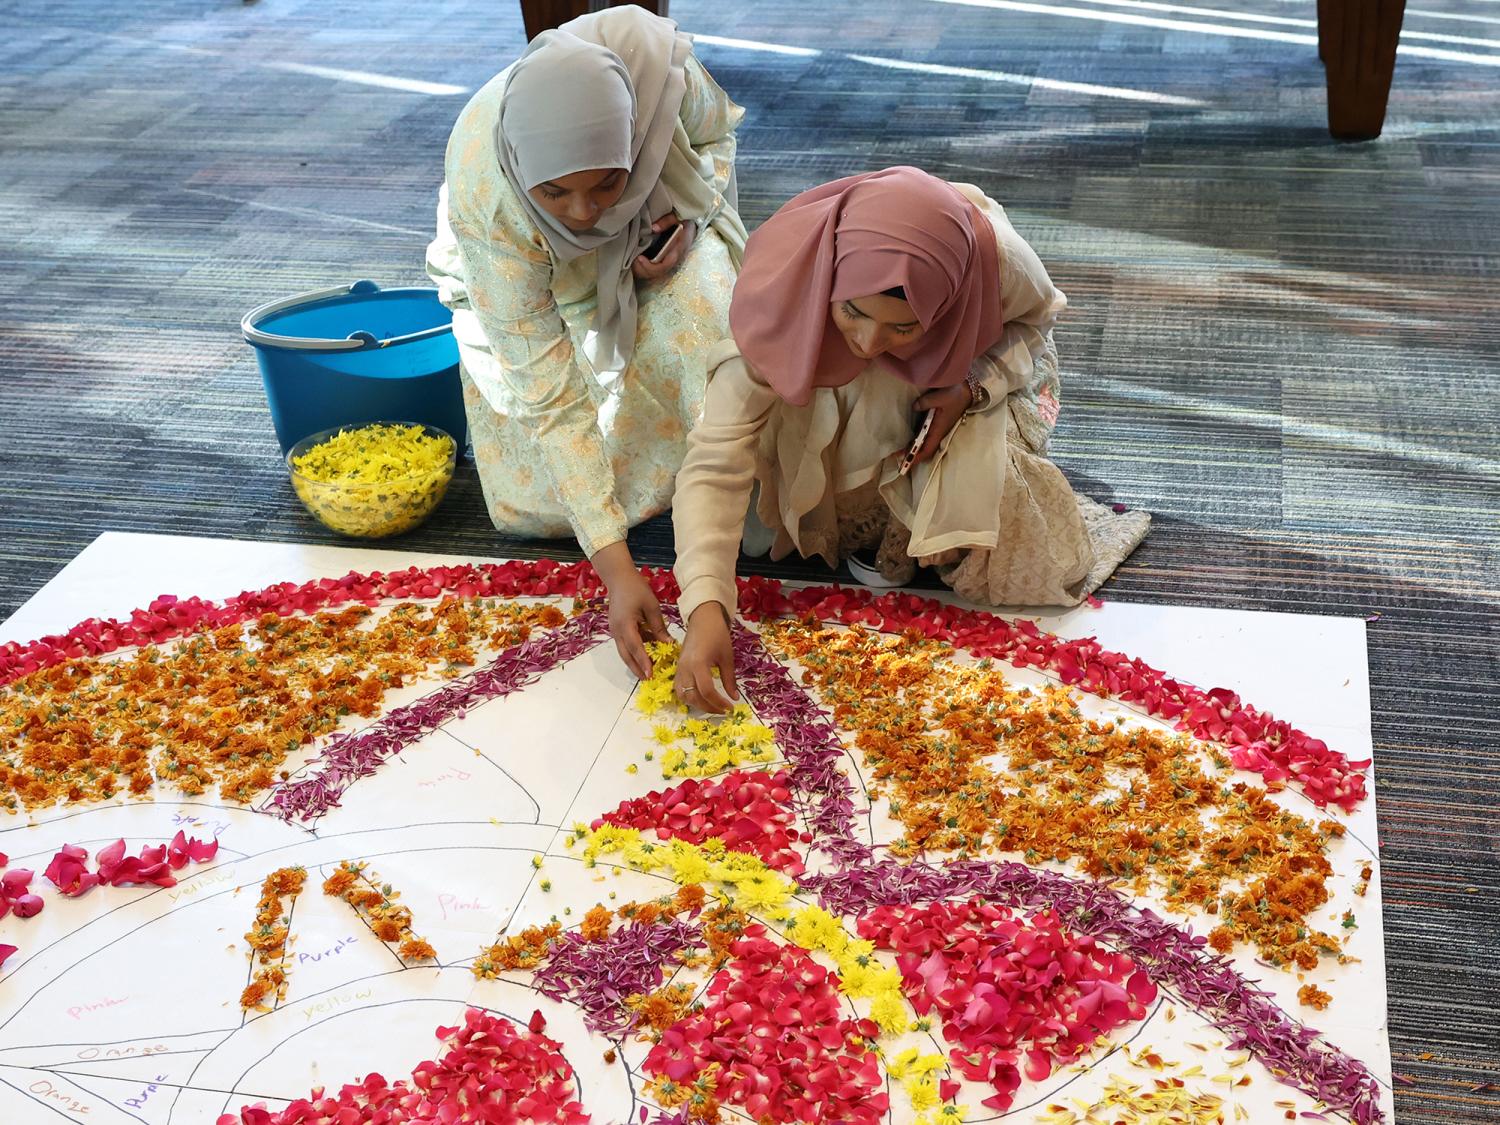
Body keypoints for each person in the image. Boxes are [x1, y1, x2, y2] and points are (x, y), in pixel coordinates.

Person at [668, 166, 1150, 711]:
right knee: (789, 452)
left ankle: (902, 513)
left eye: (902, 326)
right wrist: (705, 605)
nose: (870, 342)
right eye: (853, 310)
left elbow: (1034, 326)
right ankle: (867, 509)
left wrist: (973, 387)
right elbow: (716, 456)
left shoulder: (993, 261)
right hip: (824, 362)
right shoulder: (786, 290)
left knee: (989, 516)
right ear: (828, 280)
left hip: (961, 368)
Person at [425, 6, 746, 679]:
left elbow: (716, 145)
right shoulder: (492, 198)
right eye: (556, 192)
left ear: (636, 135)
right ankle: (647, 492)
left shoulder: (663, 80)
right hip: (528, 277)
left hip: (660, 234)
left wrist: (687, 214)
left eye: (608, 180)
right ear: (524, 175)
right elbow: (549, 396)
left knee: (709, 337)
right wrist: (618, 571)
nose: (583, 213)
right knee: (537, 505)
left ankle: (714, 490)